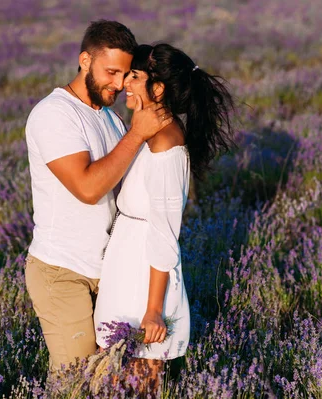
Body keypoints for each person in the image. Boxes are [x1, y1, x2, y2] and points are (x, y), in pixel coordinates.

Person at [24, 21, 172, 376]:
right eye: (111, 72)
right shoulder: (53, 115)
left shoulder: (110, 118)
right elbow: (88, 189)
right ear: (85, 60)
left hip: (108, 270)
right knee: (74, 378)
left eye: (125, 74)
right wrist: (137, 135)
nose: (119, 84)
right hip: (62, 271)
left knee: (113, 377)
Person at [93, 43, 235, 392]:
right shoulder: (149, 134)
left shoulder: (167, 145)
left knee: (141, 380)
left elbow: (164, 232)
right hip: (127, 266)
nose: (126, 81)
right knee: (113, 378)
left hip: (145, 277)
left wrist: (154, 309)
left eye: (135, 77)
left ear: (158, 89)